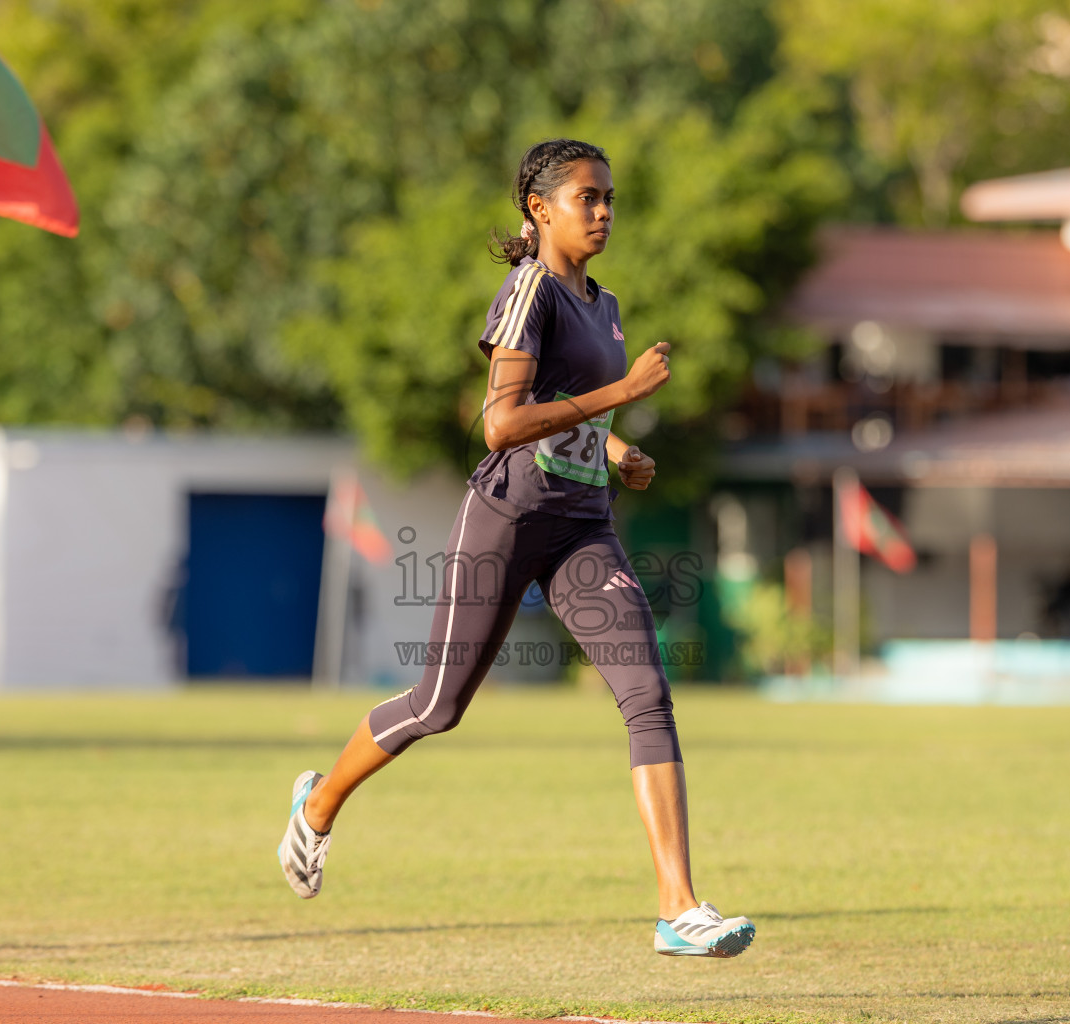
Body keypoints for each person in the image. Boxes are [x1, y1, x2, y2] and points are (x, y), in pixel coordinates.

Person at [277, 138, 754, 959]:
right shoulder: (527, 289)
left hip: (583, 525)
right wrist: (625, 394)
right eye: (587, 199)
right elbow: (502, 423)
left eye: (610, 199)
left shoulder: (604, 305)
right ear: (538, 209)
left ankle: (678, 909)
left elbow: (566, 407)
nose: (604, 212)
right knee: (438, 706)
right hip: (507, 517)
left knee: (647, 694)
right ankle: (316, 807)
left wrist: (614, 449)